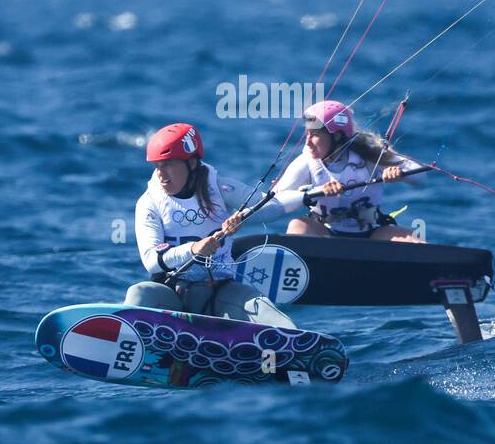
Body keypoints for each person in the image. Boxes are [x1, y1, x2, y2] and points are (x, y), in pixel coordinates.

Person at [127, 122, 304, 324]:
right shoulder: (149, 202)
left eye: (169, 164)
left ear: (192, 164)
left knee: (262, 307)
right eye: (158, 166)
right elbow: (151, 261)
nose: (161, 173)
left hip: (220, 291)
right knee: (139, 292)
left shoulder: (221, 188)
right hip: (172, 295)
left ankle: (302, 349)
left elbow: (272, 208)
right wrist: (194, 249)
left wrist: (242, 216)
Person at [272, 99, 425, 242]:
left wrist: (399, 175)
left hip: (372, 232)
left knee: (414, 240)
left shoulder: (370, 155)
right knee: (297, 225)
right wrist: (309, 194)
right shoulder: (306, 161)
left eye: (315, 135)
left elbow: (420, 176)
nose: (308, 143)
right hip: (324, 231)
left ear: (337, 136)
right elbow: (276, 202)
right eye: (307, 134)